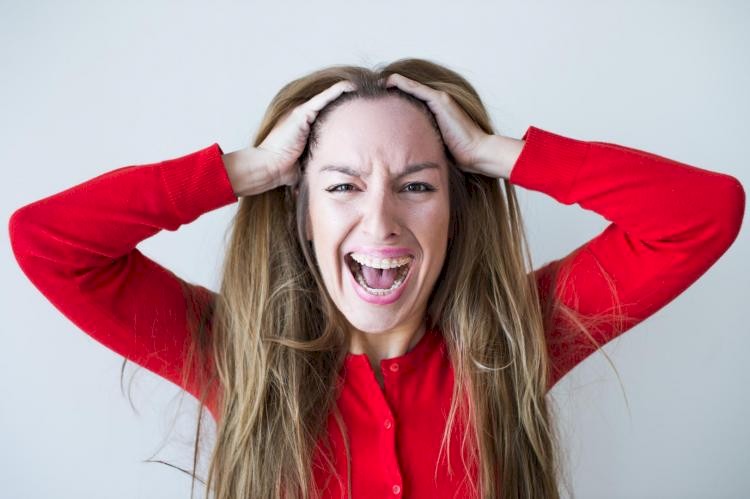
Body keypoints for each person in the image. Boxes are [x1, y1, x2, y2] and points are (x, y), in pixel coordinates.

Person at [8, 58, 745, 499]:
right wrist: (247, 170)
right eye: (342, 187)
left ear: (456, 211)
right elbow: (48, 243)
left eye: (417, 186)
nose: (381, 221)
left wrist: (498, 153)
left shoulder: (519, 338)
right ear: (301, 215)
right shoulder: (235, 354)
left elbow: (703, 215)